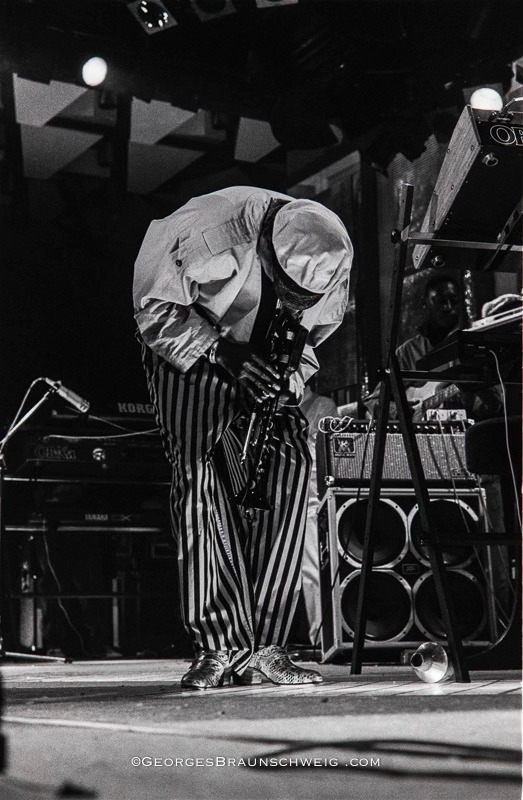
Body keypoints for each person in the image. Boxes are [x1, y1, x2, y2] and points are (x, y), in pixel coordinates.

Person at [133, 186, 353, 689]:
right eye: (286, 289)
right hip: (191, 346)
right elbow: (152, 308)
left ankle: (267, 647)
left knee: (293, 469)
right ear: (268, 255)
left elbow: (312, 339)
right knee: (201, 476)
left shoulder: (333, 249)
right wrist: (225, 355)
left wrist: (286, 379)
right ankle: (217, 646)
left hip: (267, 361)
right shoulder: (211, 230)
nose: (295, 302)